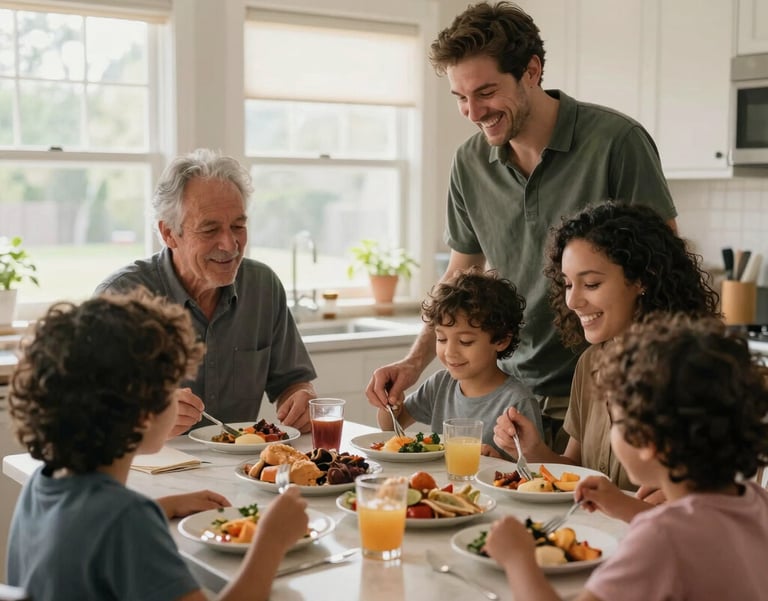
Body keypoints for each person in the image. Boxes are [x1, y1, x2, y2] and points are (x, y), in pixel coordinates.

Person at [365, 1, 678, 452]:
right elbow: (461, 274)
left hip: (603, 396)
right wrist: (417, 361)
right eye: (460, 98)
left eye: (486, 92)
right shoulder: (470, 163)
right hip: (510, 397)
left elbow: (665, 273)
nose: (473, 111)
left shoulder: (615, 142)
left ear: (531, 71)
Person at [5, 291, 309, 601]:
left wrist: (162, 507)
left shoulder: (43, 485)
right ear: (142, 414)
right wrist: (271, 541)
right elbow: (121, 527)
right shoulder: (128, 522)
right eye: (171, 386)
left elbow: (94, 530)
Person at [484, 313, 768, 600]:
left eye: (616, 421)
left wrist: (518, 560)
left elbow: (670, 537)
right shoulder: (756, 500)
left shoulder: (658, 541)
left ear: (648, 442)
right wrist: (624, 505)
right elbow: (697, 532)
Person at [493, 202, 718, 491]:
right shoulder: (591, 363)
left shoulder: (687, 372)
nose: (572, 302)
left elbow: (709, 495)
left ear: (641, 280)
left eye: (591, 284)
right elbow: (578, 473)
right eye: (568, 284)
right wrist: (533, 451)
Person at [95, 148, 317, 436]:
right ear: (169, 233)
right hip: (147, 468)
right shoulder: (120, 297)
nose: (229, 243)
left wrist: (301, 397)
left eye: (238, 226)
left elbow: (293, 382)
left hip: (236, 470)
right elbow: (88, 412)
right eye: (209, 230)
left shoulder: (263, 287)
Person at [374, 267, 542, 458]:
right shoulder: (439, 385)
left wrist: (499, 462)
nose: (450, 352)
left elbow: (534, 472)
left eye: (465, 342)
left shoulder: (517, 402)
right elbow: (389, 427)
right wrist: (391, 404)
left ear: (501, 340)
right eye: (441, 339)